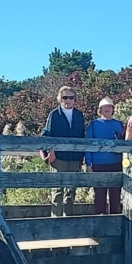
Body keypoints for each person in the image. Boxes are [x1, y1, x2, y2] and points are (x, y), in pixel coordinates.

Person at [40, 86, 85, 217]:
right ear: (60, 99)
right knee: (57, 189)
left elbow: (82, 136)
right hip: (58, 157)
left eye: (71, 97)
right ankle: (56, 221)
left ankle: (69, 220)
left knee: (71, 190)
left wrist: (81, 157)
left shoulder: (78, 115)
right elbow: (47, 134)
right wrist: (51, 150)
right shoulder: (54, 114)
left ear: (74, 99)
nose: (68, 100)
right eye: (65, 97)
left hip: (74, 157)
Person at [85, 97, 124, 215]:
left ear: (113, 109)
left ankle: (115, 222)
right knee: (99, 196)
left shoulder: (119, 124)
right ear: (100, 110)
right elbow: (88, 145)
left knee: (115, 196)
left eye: (109, 107)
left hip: (116, 164)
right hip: (98, 164)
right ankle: (100, 223)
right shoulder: (93, 124)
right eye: (104, 107)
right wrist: (88, 164)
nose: (107, 109)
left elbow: (125, 143)